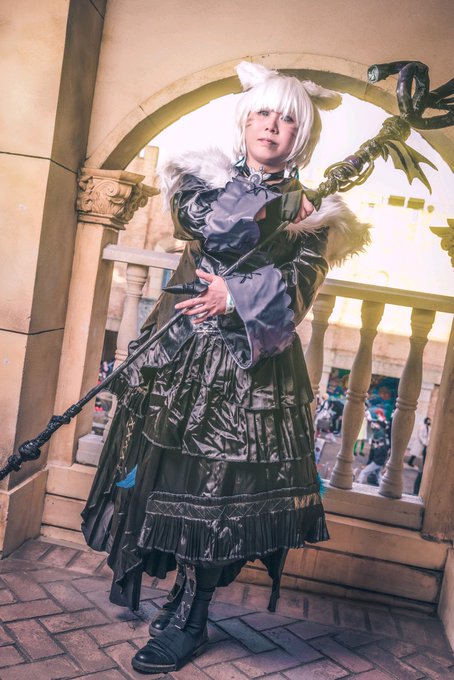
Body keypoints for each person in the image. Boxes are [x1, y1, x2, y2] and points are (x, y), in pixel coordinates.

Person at [81, 61, 370, 674]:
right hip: (183, 358)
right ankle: (179, 595)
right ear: (244, 120)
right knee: (172, 482)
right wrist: (275, 205)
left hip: (253, 372)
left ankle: (193, 616)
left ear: (302, 134)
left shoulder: (317, 215)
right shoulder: (202, 180)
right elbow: (210, 229)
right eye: (262, 112)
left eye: (287, 119)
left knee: (221, 494)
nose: (272, 126)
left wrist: (235, 295)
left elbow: (300, 288)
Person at [409, 417, 431, 495]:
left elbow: (428, 436)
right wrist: (424, 442)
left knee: (420, 454)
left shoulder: (429, 428)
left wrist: (427, 442)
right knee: (414, 454)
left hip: (425, 444)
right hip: (420, 443)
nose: (429, 422)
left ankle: (419, 464)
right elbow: (421, 435)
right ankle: (410, 462)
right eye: (428, 421)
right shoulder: (422, 427)